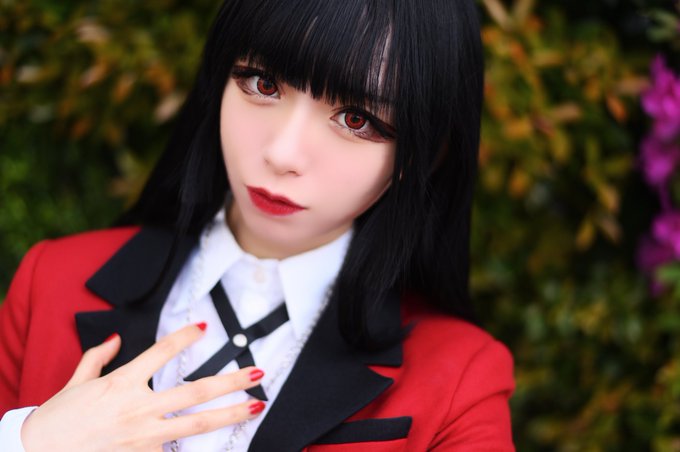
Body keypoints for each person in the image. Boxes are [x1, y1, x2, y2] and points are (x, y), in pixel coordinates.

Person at [0, 0, 515, 450]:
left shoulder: (461, 379)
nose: (282, 153)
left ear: (420, 155)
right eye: (263, 84)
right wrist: (30, 443)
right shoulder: (52, 281)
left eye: (356, 119)